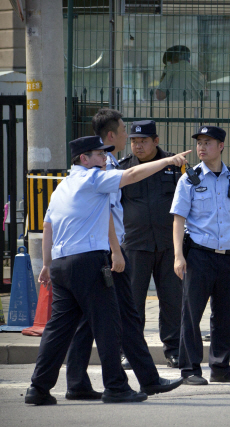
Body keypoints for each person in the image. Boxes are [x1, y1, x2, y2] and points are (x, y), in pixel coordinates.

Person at [25, 136, 189, 405]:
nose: (104, 159)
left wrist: (46, 264)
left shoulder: (62, 187)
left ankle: (38, 387)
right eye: (99, 155)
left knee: (58, 331)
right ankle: (115, 386)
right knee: (108, 325)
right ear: (83, 159)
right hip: (89, 263)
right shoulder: (93, 180)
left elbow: (48, 228)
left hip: (62, 266)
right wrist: (168, 161)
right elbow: (133, 173)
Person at [63, 109, 183, 401]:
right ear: (112, 136)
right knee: (108, 319)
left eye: (141, 139)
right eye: (127, 133)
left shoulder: (101, 165)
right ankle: (109, 382)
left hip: (103, 252)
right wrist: (116, 251)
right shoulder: (102, 169)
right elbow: (108, 209)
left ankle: (137, 378)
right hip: (105, 254)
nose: (135, 142)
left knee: (115, 317)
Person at [171, 125, 230, 385]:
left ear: (221, 146)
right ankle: (190, 370)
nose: (202, 147)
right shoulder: (189, 178)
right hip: (199, 254)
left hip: (229, 254)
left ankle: (220, 367)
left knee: (224, 314)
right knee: (192, 313)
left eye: (208, 142)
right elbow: (178, 218)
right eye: (199, 142)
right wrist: (178, 256)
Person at [118, 120, 183, 368]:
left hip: (168, 245)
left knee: (172, 299)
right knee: (133, 301)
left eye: (143, 141)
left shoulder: (175, 166)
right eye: (134, 141)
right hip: (135, 245)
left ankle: (174, 350)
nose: (138, 146)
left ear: (156, 141)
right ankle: (130, 351)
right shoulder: (124, 169)